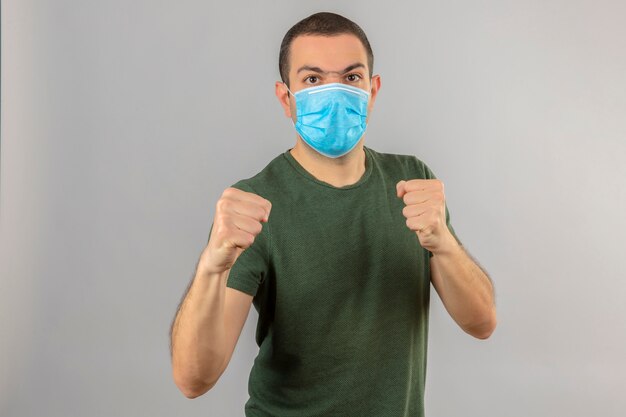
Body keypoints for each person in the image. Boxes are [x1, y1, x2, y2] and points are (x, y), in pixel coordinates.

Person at [169, 11, 496, 417]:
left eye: (351, 77)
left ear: (372, 90)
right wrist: (211, 269)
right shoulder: (255, 205)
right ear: (285, 98)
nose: (334, 92)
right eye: (312, 79)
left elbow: (482, 322)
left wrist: (443, 246)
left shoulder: (412, 183)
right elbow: (193, 379)